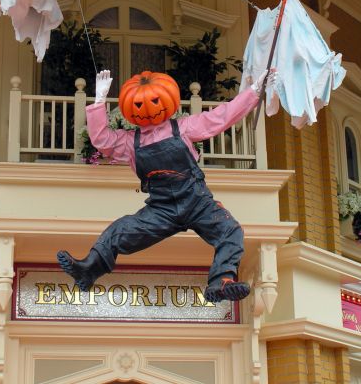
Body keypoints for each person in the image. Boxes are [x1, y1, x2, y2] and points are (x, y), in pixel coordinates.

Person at [58, 68, 275, 302]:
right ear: (130, 109)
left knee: (230, 230)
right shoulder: (131, 143)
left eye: (154, 101)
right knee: (120, 229)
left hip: (197, 202)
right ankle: (88, 270)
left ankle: (221, 282)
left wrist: (254, 91)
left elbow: (222, 117)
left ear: (168, 100)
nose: (148, 108)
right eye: (139, 104)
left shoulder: (184, 128)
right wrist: (99, 100)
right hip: (161, 209)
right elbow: (102, 140)